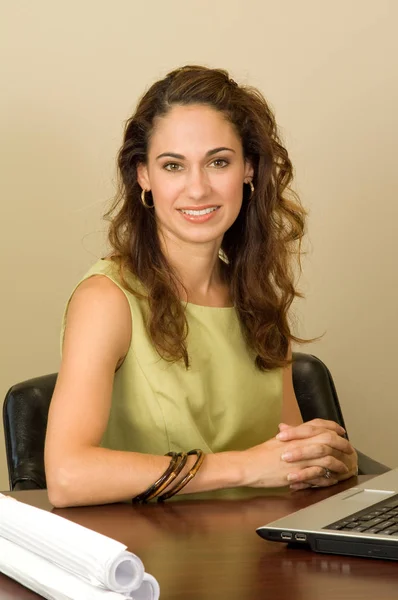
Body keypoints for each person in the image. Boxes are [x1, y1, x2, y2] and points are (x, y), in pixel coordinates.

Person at [44, 65, 358, 508]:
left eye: (218, 162)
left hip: (263, 556)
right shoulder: (107, 299)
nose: (197, 188)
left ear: (249, 169)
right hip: (155, 563)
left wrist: (323, 462)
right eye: (173, 165)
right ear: (144, 176)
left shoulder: (259, 299)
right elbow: (66, 476)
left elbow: (287, 461)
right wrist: (246, 466)